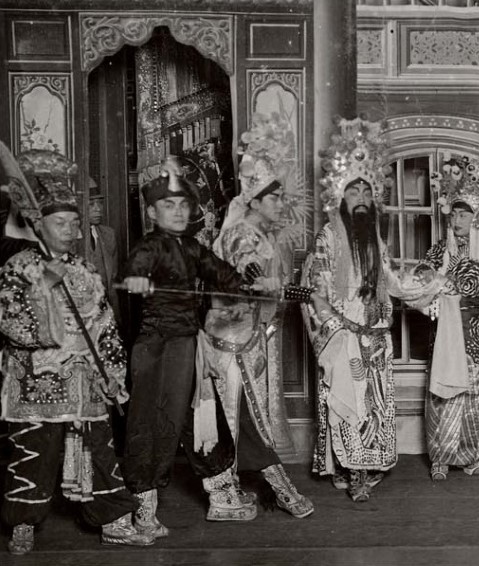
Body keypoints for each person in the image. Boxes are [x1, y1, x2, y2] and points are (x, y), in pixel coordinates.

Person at [0, 150, 153, 554]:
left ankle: (113, 519)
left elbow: (105, 326)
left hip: (86, 380)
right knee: (36, 452)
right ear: (38, 225)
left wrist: (113, 372)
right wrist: (47, 287)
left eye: (74, 222)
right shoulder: (18, 269)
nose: (70, 230)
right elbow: (11, 321)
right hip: (38, 379)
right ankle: (23, 522)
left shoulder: (84, 270)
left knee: (100, 449)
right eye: (60, 223)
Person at [121, 159, 270, 530]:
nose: (177, 212)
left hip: (189, 346)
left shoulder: (192, 247)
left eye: (183, 205)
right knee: (151, 421)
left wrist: (249, 287)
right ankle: (143, 507)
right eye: (168, 206)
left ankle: (221, 495)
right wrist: (137, 281)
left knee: (203, 415)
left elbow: (222, 274)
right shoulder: (149, 247)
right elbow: (133, 271)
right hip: (156, 349)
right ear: (152, 212)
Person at [304, 117, 427, 501]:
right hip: (343, 337)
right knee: (348, 405)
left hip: (376, 337)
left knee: (373, 406)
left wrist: (432, 287)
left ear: (374, 200)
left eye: (366, 192)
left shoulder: (374, 238)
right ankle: (352, 472)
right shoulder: (328, 237)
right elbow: (316, 290)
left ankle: (367, 465)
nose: (360, 198)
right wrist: (337, 330)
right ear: (341, 197)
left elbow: (392, 281)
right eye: (353, 191)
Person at [200, 111, 313, 517]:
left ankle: (249, 489)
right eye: (275, 197)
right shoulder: (242, 233)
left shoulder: (258, 232)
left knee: (247, 417)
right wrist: (273, 286)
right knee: (237, 417)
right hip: (229, 342)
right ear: (256, 200)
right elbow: (246, 274)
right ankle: (232, 495)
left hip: (245, 339)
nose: (282, 204)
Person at [419, 152, 479, 479]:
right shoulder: (437, 252)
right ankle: (441, 457)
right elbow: (420, 284)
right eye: (455, 213)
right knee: (444, 397)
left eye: (465, 214)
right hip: (445, 335)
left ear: (478, 218)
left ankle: (474, 454)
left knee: (478, 396)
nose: (458, 220)